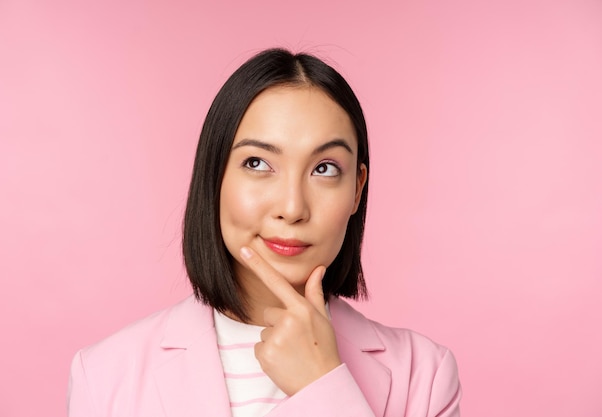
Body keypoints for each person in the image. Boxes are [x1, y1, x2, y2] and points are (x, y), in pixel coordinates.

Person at [67, 48, 462, 417]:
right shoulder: (103, 374)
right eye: (257, 163)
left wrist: (323, 385)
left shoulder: (424, 375)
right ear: (215, 175)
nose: (291, 208)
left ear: (357, 189)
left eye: (324, 168)